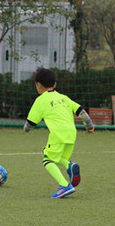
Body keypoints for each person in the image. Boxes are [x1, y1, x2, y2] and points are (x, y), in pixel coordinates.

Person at [24, 67, 94, 198]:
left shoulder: (40, 100)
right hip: (71, 133)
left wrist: (26, 129)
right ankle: (70, 165)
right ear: (55, 84)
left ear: (38, 85)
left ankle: (64, 185)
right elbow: (81, 111)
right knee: (58, 157)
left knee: (47, 159)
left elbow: (30, 123)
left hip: (58, 134)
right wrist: (89, 126)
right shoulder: (64, 98)